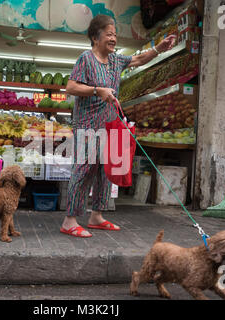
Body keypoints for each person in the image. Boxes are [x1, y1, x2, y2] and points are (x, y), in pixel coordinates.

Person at [60, 14, 176, 238]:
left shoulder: (115, 60)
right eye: (109, 34)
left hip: (110, 125)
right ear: (95, 37)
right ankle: (70, 220)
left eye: (115, 35)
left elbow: (139, 60)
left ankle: (97, 216)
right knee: (83, 171)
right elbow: (71, 87)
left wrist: (160, 48)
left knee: (106, 171)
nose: (114, 39)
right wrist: (97, 90)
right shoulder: (86, 59)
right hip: (87, 126)